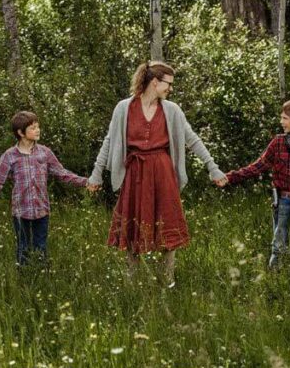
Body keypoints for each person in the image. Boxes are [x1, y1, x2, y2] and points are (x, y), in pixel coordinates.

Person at [87, 61, 227, 285]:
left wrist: (213, 167)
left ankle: (168, 279)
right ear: (154, 81)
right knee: (133, 227)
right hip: (135, 174)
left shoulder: (171, 110)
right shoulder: (124, 108)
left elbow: (192, 139)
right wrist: (96, 173)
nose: (170, 89)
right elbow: (109, 141)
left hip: (163, 172)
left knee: (168, 223)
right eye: (167, 84)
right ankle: (131, 281)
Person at [217, 99, 290, 268]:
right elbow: (258, 166)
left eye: (285, 118)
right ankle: (275, 277)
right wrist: (230, 177)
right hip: (282, 200)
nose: (281, 122)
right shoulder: (278, 142)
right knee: (278, 241)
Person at [0, 111, 88, 267]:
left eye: (38, 126)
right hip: (21, 212)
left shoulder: (45, 153)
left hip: (42, 210)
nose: (38, 130)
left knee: (41, 249)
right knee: (24, 249)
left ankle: (42, 279)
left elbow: (63, 174)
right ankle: (24, 283)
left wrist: (86, 182)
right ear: (21, 133)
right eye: (33, 128)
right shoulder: (9, 156)